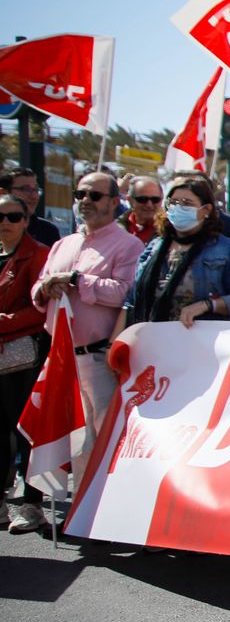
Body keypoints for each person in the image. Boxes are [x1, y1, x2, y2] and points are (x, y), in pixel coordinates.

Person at [31, 171, 146, 478]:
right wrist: (45, 289)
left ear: (114, 201)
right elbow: (38, 290)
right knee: (74, 441)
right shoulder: (63, 244)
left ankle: (106, 510)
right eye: (80, 195)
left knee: (107, 436)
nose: (85, 201)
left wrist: (76, 281)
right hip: (61, 359)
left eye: (94, 196)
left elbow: (124, 292)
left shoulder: (128, 246)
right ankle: (80, 513)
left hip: (99, 359)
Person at [119, 175, 230, 330]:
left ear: (206, 210)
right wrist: (115, 342)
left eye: (187, 203)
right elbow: (132, 300)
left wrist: (208, 305)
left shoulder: (227, 250)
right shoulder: (154, 248)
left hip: (201, 344)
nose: (178, 208)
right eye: (174, 203)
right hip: (152, 343)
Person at [0, 193, 50, 533]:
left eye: (13, 217)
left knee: (28, 429)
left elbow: (42, 306)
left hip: (25, 357)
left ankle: (33, 503)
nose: (5, 223)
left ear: (26, 219)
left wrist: (4, 323)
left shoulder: (39, 255)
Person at [0, 167, 60, 247]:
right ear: (4, 193)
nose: (34, 196)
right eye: (26, 189)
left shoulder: (48, 231)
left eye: (36, 189)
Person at [120, 176, 163, 244]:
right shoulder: (115, 227)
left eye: (155, 200)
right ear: (129, 200)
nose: (149, 205)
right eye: (143, 199)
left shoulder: (170, 231)